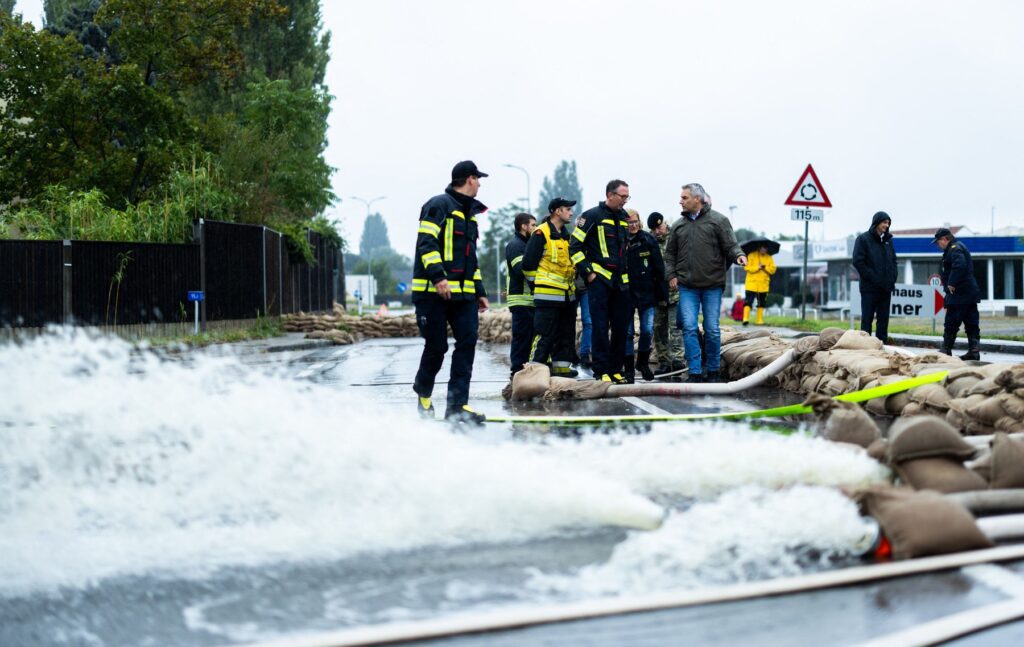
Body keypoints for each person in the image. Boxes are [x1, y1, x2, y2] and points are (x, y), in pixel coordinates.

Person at [411, 160, 490, 424]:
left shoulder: (470, 214)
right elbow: (426, 243)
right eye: (478, 179)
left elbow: (472, 258)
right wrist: (437, 277)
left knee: (467, 344)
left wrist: (479, 290)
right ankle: (423, 393)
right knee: (437, 346)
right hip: (432, 293)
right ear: (469, 179)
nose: (480, 184)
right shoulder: (438, 205)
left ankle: (457, 406)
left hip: (464, 297)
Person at [663, 183, 746, 383]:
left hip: (712, 286)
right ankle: (694, 372)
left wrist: (739, 256)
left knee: (712, 328)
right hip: (687, 286)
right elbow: (669, 255)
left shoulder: (718, 221)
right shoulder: (678, 226)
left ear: (697, 200)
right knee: (689, 328)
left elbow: (731, 246)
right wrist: (671, 275)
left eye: (684, 198)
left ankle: (713, 370)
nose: (680, 201)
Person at [569, 180, 632, 383]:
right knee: (600, 326)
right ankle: (601, 370)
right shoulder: (591, 216)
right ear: (610, 195)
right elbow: (575, 246)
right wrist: (588, 273)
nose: (625, 200)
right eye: (622, 196)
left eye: (627, 197)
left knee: (621, 328)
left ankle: (615, 369)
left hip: (621, 283)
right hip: (599, 280)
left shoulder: (624, 217)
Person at [522, 198, 578, 377]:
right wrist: (538, 285)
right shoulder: (541, 233)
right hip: (547, 296)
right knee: (543, 336)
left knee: (565, 335)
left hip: (567, 296)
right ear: (557, 211)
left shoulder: (565, 234)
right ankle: (534, 374)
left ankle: (561, 371)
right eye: (567, 209)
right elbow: (528, 265)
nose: (571, 213)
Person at [624, 209, 667, 382]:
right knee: (627, 334)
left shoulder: (648, 240)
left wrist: (662, 294)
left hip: (647, 293)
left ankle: (642, 362)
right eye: (629, 223)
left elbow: (659, 269)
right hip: (626, 294)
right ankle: (628, 369)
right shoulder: (620, 241)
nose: (632, 225)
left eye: (635, 222)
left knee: (647, 331)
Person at [933, 227, 982, 360]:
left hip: (959, 295)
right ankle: (974, 351)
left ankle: (946, 349)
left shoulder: (955, 248)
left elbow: (959, 265)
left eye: (938, 242)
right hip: (969, 294)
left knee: (951, 323)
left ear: (944, 239)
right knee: (971, 323)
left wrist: (951, 283)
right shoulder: (958, 247)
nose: (938, 245)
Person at [852, 211, 898, 342]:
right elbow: (858, 261)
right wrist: (873, 277)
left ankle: (882, 346)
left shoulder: (888, 241)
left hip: (886, 288)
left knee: (883, 320)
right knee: (867, 320)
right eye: (884, 222)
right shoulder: (863, 239)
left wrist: (893, 277)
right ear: (877, 222)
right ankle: (865, 347)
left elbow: (894, 261)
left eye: (888, 223)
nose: (886, 225)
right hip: (869, 288)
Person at [648, 211, 685, 376]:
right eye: (654, 229)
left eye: (659, 227)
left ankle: (678, 360)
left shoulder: (675, 238)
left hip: (675, 292)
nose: (657, 231)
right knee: (658, 329)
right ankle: (664, 361)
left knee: (675, 328)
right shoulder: (649, 241)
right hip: (657, 294)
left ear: (664, 224)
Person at [505, 212, 537, 377]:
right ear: (523, 226)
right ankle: (516, 373)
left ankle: (526, 372)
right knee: (522, 340)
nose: (535, 228)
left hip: (529, 300)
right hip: (521, 301)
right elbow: (520, 270)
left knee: (529, 340)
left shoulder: (526, 244)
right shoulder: (516, 245)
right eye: (533, 225)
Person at [574, 212, 593, 370]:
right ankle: (570, 353)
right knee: (568, 322)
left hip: (586, 288)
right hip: (571, 287)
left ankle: (585, 353)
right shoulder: (569, 242)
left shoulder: (591, 244)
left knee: (588, 322)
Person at [742, 244, 777, 326]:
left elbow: (773, 269)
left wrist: (765, 267)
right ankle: (745, 319)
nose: (764, 250)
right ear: (759, 248)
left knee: (761, 303)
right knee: (748, 302)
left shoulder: (769, 257)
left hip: (763, 285)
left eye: (765, 248)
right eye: (762, 248)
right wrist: (757, 267)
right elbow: (746, 267)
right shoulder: (751, 255)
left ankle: (759, 320)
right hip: (751, 284)